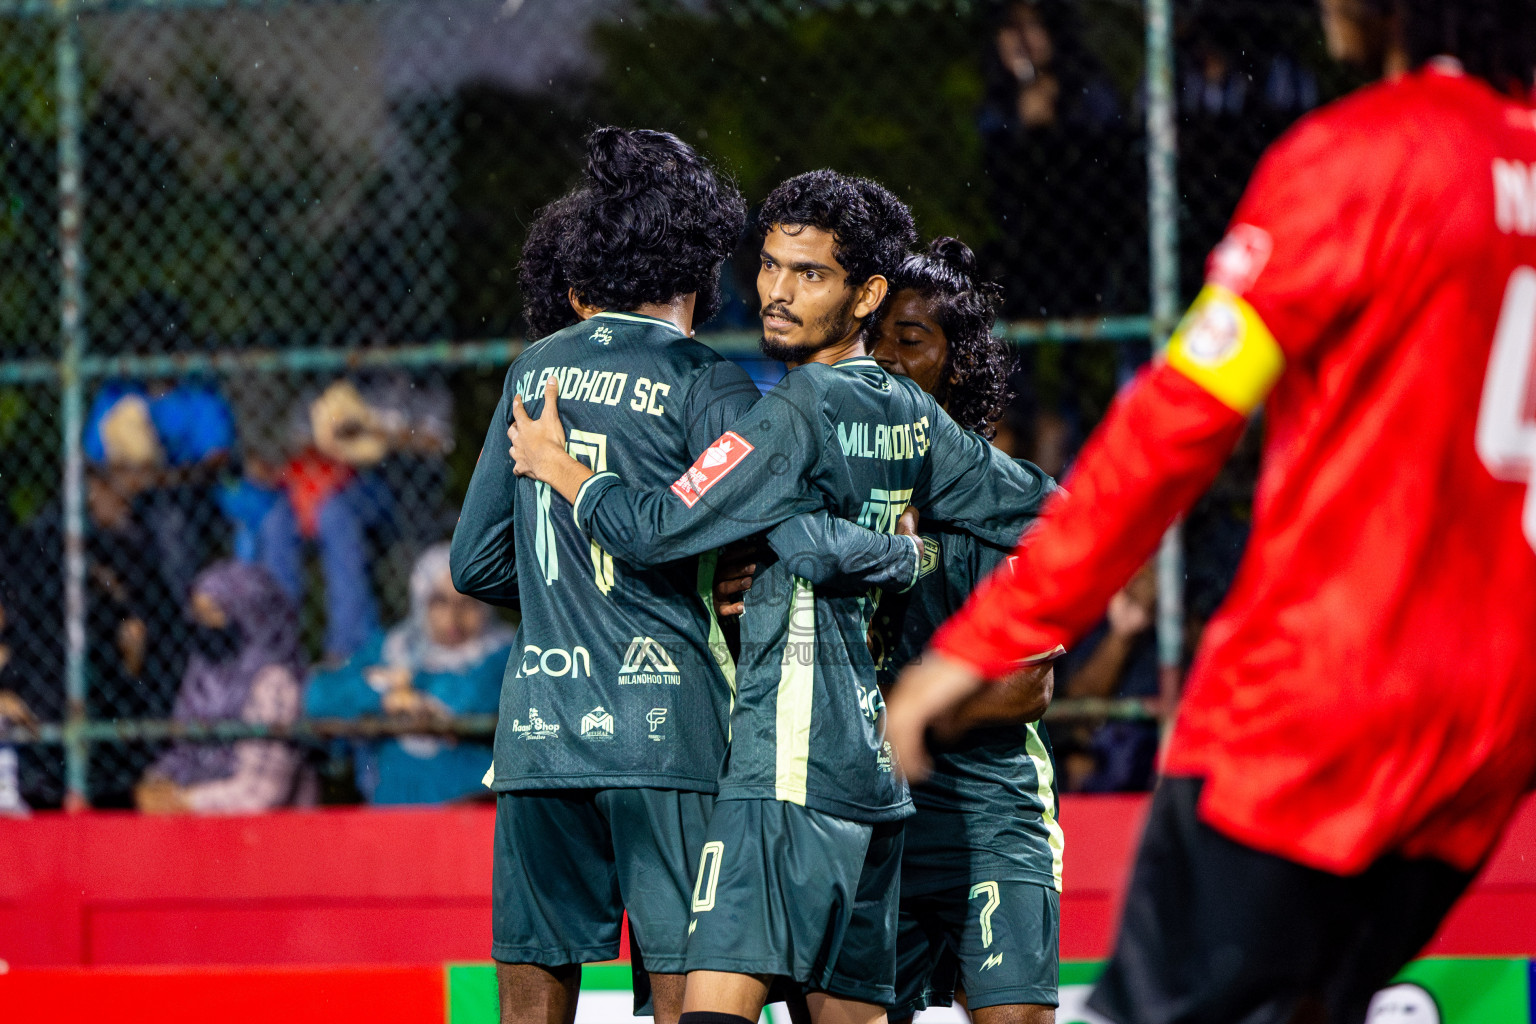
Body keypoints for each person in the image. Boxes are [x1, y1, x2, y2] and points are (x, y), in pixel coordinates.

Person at [885, 1, 1536, 1021]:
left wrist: (982, 642)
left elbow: (1175, 425)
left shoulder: (1366, 154)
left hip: (1320, 709)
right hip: (1489, 732)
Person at [510, 172, 1055, 1024]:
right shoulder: (911, 413)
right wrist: (913, 553)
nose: (777, 291)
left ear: (866, 295)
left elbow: (655, 529)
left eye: (810, 274)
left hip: (786, 770)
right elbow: (1050, 509)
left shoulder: (791, 414)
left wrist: (565, 470)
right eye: (769, 265)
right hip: (876, 786)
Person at [453, 127, 766, 1024]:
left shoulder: (533, 370)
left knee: (531, 978)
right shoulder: (707, 381)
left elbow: (474, 562)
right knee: (689, 982)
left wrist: (566, 596)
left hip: (540, 729)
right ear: (699, 270)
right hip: (669, 729)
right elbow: (752, 536)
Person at [306, 543, 512, 805]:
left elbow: (462, 699)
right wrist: (383, 695)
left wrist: (402, 686)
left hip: (471, 805)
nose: (453, 616)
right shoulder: (396, 647)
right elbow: (319, 697)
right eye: (439, 601)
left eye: (468, 602)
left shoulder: (503, 652)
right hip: (394, 808)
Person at [136, 561, 311, 814]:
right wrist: (157, 783)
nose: (203, 625)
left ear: (250, 615)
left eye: (215, 614)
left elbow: (262, 792)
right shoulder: (203, 674)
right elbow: (182, 751)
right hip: (194, 812)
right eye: (198, 615)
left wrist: (185, 801)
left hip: (260, 825)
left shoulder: (275, 682)